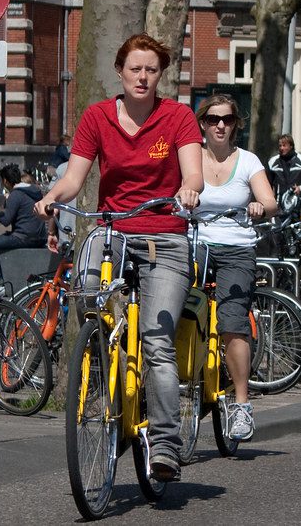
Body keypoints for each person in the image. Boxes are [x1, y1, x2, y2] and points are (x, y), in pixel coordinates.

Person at [34, 33, 203, 482]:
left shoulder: (179, 117)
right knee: (86, 295)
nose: (143, 77)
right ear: (120, 72)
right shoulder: (97, 117)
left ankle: (165, 444)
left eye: (151, 70)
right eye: (135, 69)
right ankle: (103, 359)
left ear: (160, 74)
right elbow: (74, 178)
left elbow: (193, 173)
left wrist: (189, 190)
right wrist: (52, 197)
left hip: (164, 237)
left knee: (158, 342)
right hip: (111, 232)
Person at [194, 94, 277, 441]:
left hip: (236, 248)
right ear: (203, 123)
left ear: (235, 125)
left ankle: (241, 404)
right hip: (195, 244)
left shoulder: (247, 162)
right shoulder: (190, 158)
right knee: (172, 309)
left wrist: (260, 207)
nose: (220, 125)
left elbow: (270, 201)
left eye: (227, 119)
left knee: (232, 322)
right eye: (213, 119)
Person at [0, 164, 48, 295]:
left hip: (24, 237)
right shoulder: (34, 191)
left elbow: (6, 220)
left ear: (5, 181)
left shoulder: (16, 194)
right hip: (39, 237)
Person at [266, 134, 301, 212]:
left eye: (284, 146)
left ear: (291, 146)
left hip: (298, 206)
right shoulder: (272, 162)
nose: (281, 148)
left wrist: (300, 188)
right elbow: (267, 185)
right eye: (280, 146)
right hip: (278, 208)